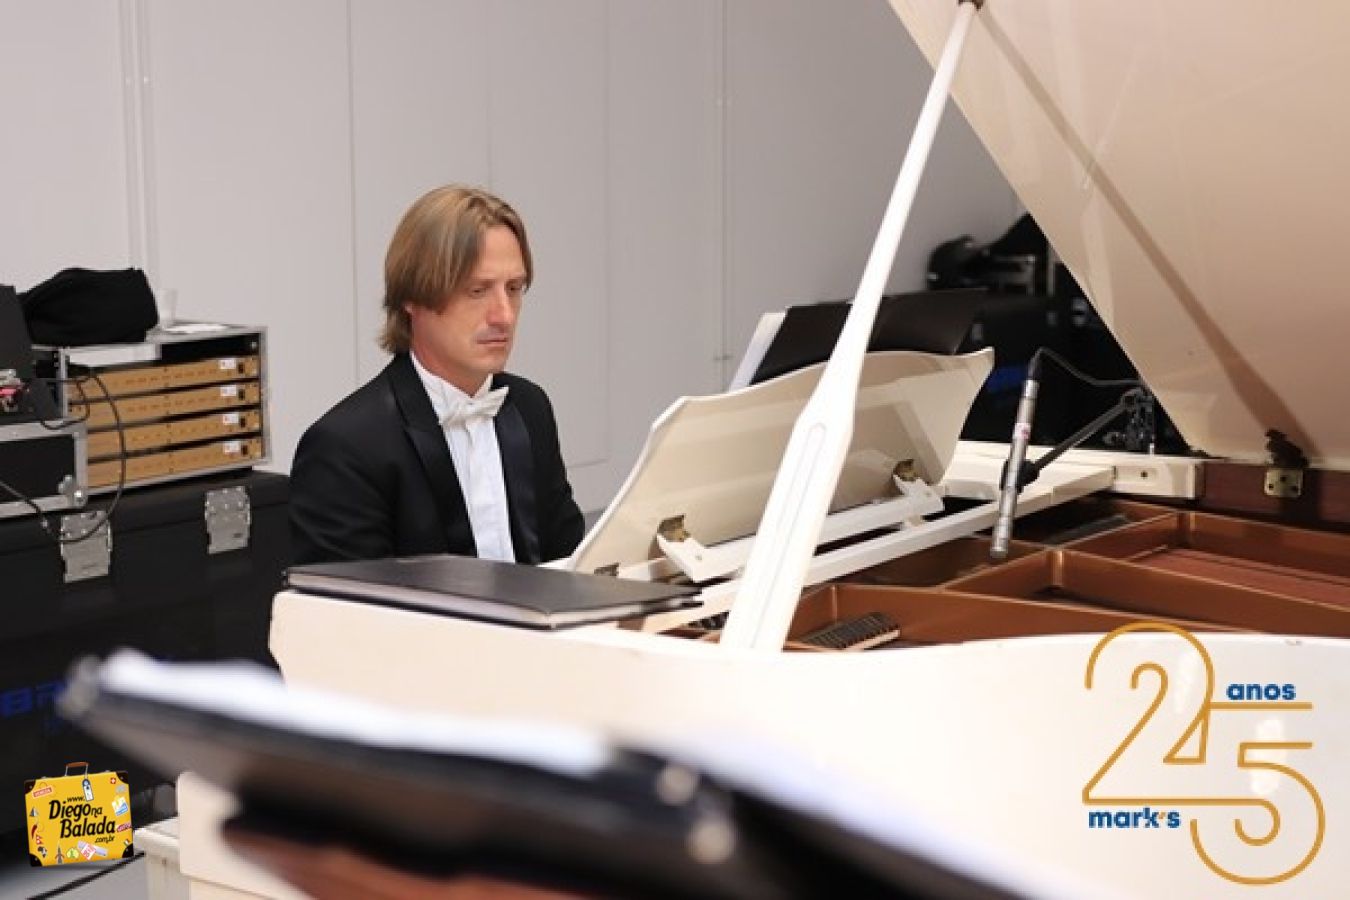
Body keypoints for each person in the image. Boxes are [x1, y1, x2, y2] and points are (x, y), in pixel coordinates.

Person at [290, 185, 584, 565]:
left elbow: (569, 562)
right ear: (412, 298)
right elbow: (353, 600)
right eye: (477, 290)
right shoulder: (345, 447)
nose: (505, 315)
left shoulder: (530, 407)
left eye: (514, 289)